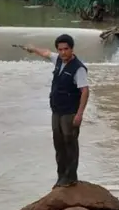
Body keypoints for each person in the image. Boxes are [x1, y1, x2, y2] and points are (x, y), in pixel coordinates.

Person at [20, 34, 90, 187]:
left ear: (72, 49)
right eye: (60, 50)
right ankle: (61, 176)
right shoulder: (58, 60)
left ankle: (71, 177)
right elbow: (46, 53)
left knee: (70, 143)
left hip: (70, 112)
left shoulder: (78, 69)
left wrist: (79, 114)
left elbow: (85, 91)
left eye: (66, 49)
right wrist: (32, 49)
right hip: (57, 111)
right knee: (58, 144)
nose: (63, 52)